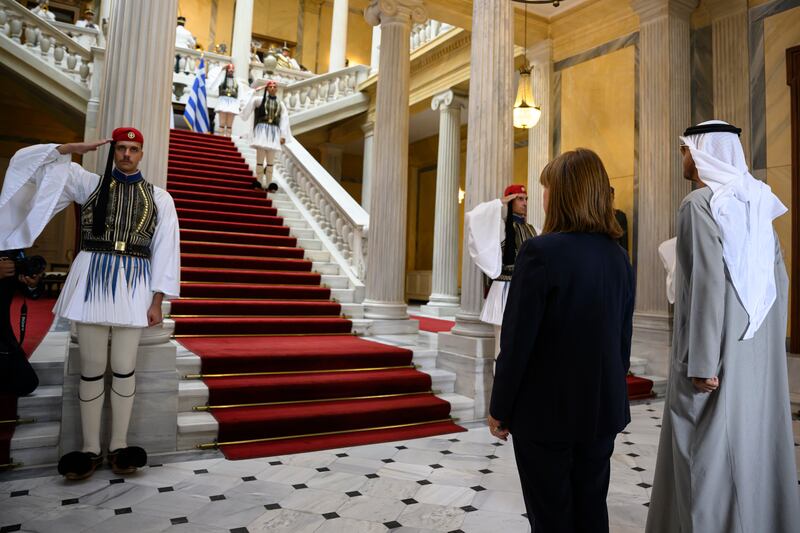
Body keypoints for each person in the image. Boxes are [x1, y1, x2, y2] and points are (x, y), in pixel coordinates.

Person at [0, 128, 181, 480]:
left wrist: (157, 300)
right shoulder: (87, 184)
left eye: (134, 149)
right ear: (114, 150)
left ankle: (118, 444)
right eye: (122, 148)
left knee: (125, 367)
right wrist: (68, 148)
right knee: (92, 368)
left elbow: (166, 249)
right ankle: (88, 448)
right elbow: (31, 168)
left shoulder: (160, 198)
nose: (127, 154)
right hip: (91, 279)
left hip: (134, 284)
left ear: (142, 153)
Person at [646, 121, 800, 532]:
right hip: (755, 351)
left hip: (712, 356)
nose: (682, 157)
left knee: (704, 456)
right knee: (751, 448)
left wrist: (701, 360)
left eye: (684, 150)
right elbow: (779, 281)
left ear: (700, 153)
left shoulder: (699, 203)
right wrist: (765, 348)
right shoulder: (759, 199)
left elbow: (709, 283)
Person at [488, 148, 633, 533]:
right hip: (602, 409)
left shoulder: (540, 251)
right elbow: (622, 341)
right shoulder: (618, 257)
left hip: (546, 414)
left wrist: (500, 406)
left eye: (548, 188)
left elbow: (518, 341)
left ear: (565, 194)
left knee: (551, 516)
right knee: (590, 511)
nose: (544, 197)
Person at [465, 184, 536, 361]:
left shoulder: (533, 230)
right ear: (511, 202)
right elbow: (474, 217)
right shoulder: (500, 228)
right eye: (520, 198)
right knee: (502, 345)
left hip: (525, 290)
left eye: (526, 199)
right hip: (504, 289)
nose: (525, 203)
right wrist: (500, 202)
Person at [241, 79, 290, 189]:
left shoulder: (280, 104)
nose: (272, 88)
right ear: (267, 89)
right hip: (262, 131)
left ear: (277, 89)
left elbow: (284, 119)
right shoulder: (259, 100)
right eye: (270, 87)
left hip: (274, 132)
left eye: (274, 87)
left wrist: (283, 135)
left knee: (270, 161)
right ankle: (259, 181)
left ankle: (268, 182)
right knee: (260, 159)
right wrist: (257, 89)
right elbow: (248, 100)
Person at [213, 64, 241, 137]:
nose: (231, 71)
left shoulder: (237, 81)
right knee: (222, 123)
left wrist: (240, 104)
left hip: (233, 102)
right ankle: (221, 138)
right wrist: (222, 68)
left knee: (229, 124)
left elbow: (241, 92)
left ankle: (228, 139)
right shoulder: (221, 79)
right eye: (229, 69)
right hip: (223, 100)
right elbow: (214, 77)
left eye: (232, 69)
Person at [611, 187, 629, 253]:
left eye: (611, 197)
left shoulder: (621, 216)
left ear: (613, 198)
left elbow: (624, 242)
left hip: (616, 253)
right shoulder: (599, 217)